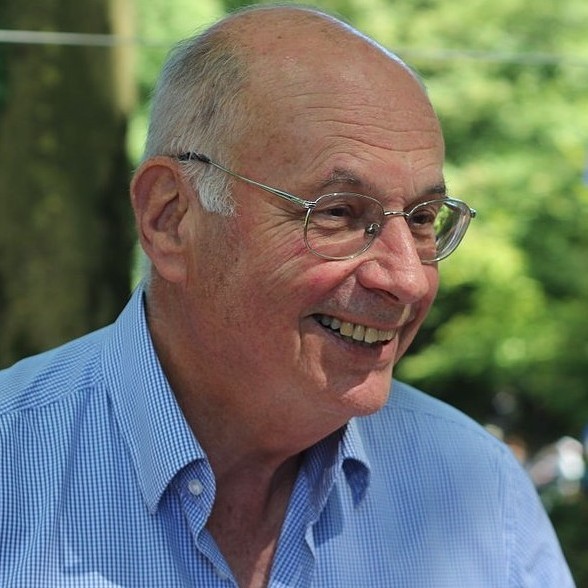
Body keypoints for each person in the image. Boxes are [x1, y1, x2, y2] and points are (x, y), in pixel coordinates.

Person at [0, 4, 574, 587]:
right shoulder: (14, 470)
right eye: (339, 213)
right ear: (169, 218)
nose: (407, 278)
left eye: (423, 218)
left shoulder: (481, 493)